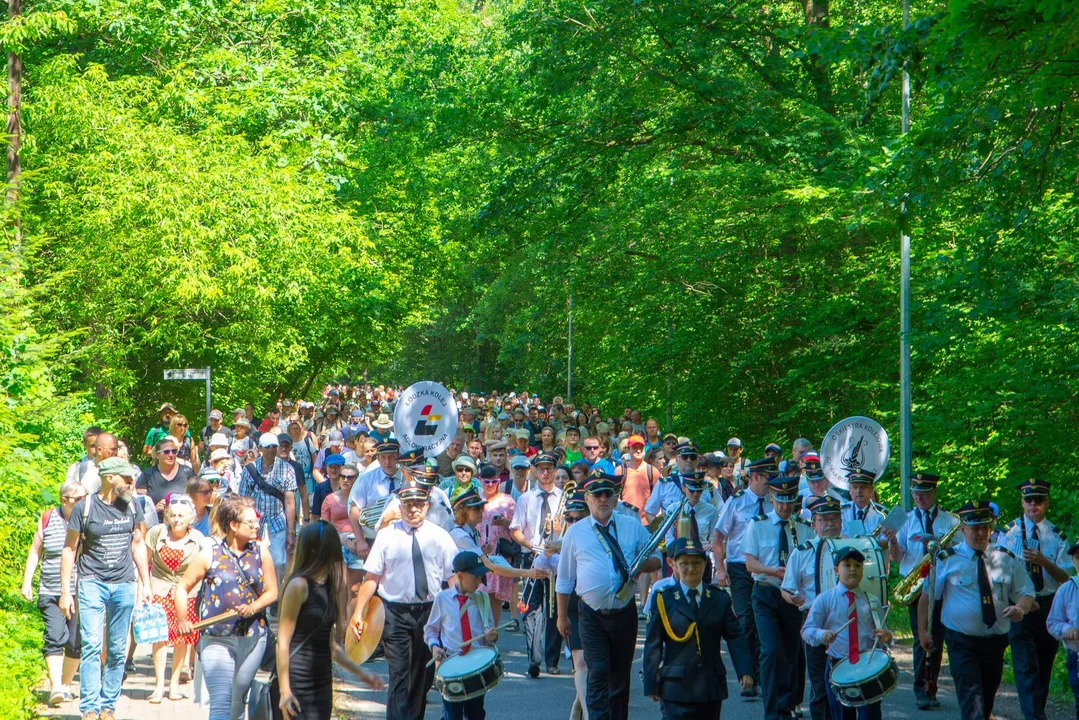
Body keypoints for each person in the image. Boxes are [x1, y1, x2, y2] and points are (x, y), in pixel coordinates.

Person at [349, 477, 459, 720]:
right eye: (408, 504)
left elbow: (453, 579)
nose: (414, 509)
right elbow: (371, 578)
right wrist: (358, 613)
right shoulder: (387, 536)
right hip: (394, 613)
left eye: (419, 504)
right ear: (400, 506)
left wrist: (459, 613)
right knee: (399, 674)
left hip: (430, 613)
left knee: (422, 676)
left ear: (427, 506)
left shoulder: (440, 537)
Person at [556, 471, 661, 720]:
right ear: (588, 500)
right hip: (591, 615)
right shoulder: (575, 532)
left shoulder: (632, 525)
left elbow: (657, 559)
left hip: (624, 612)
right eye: (596, 495)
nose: (602, 499)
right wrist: (562, 617)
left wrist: (640, 566)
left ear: (615, 499)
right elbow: (564, 578)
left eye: (607, 494)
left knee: (620, 675)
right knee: (598, 671)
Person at [918, 500, 1034, 720]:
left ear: (991, 528)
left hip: (996, 641)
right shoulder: (946, 560)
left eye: (985, 528)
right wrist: (924, 632)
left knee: (987, 700)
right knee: (972, 704)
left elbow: (1026, 592)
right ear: (963, 530)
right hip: (961, 642)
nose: (981, 533)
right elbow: (927, 598)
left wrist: (1020, 608)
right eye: (975, 528)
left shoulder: (1006, 558)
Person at [59, 457, 150, 720]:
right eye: (127, 478)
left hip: (123, 584)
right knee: (91, 644)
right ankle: (89, 707)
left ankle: (108, 706)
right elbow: (69, 549)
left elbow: (138, 543)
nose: (132, 483)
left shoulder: (132, 505)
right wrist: (66, 591)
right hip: (91, 583)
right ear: (110, 478)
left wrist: (145, 583)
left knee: (118, 648)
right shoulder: (84, 508)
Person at [175, 495, 279, 720]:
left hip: (253, 638)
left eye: (256, 521)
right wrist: (183, 619)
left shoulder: (262, 553)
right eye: (250, 522)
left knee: (237, 699)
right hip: (215, 638)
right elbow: (182, 587)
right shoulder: (209, 554)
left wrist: (253, 607)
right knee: (221, 703)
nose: (256, 526)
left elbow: (272, 591)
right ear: (233, 525)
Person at [275, 522, 384, 720]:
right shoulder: (298, 586)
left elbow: (331, 646)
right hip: (297, 681)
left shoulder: (329, 585)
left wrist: (362, 673)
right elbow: (282, 642)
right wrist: (284, 691)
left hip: (322, 682)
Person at [643, 536, 753, 720]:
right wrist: (651, 683)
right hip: (675, 688)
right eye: (684, 563)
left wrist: (745, 670)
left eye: (696, 563)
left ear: (704, 565)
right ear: (675, 566)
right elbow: (653, 644)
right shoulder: (664, 599)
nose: (691, 569)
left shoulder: (719, 599)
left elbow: (735, 636)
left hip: (710, 686)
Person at [883, 472, 958, 710]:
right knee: (920, 637)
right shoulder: (903, 519)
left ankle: (932, 685)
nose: (919, 497)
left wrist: (939, 546)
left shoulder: (950, 520)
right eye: (915, 493)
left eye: (924, 493)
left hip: (942, 583)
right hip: (915, 585)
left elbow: (958, 554)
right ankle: (921, 689)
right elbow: (897, 558)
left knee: (937, 635)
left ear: (934, 492)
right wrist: (893, 542)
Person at [997, 479, 1070, 720]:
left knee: (1043, 665)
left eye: (1038, 500)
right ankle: (1034, 716)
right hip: (1019, 605)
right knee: (1025, 665)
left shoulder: (1057, 536)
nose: (1033, 505)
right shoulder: (1008, 534)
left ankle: (1036, 710)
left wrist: (1044, 562)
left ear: (1047, 502)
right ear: (1022, 502)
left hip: (1048, 605)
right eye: (1028, 500)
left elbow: (1066, 577)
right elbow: (996, 573)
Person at [744, 475, 813, 720]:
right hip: (766, 592)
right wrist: (773, 571)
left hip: (792, 597)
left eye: (789, 501)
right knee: (771, 650)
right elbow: (750, 564)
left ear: (796, 500)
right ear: (771, 498)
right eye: (780, 501)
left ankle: (787, 705)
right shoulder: (757, 524)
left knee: (792, 652)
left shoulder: (804, 528)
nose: (784, 507)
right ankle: (772, 711)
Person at [801, 547, 894, 720]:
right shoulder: (825, 599)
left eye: (858, 566)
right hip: (838, 666)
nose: (853, 569)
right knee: (842, 716)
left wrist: (887, 637)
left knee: (871, 715)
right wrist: (822, 634)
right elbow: (806, 630)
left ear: (863, 570)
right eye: (847, 565)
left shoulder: (871, 600)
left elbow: (884, 634)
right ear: (836, 570)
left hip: (867, 666)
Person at [712, 455, 775, 696]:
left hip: (766, 568)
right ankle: (748, 675)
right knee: (746, 619)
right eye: (768, 477)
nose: (771, 482)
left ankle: (763, 674)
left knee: (765, 620)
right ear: (756, 477)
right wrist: (720, 567)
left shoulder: (773, 501)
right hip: (740, 567)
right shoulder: (736, 502)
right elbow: (719, 535)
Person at [21, 479, 86, 706]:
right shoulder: (48, 518)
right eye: (77, 499)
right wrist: (27, 581)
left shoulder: (87, 520)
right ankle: (56, 686)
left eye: (84, 498)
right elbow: (35, 551)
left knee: (76, 641)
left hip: (79, 590)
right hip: (50, 590)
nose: (82, 503)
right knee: (55, 635)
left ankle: (66, 685)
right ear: (64, 500)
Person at [782, 495, 843, 720]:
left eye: (834, 519)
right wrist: (792, 598)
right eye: (823, 519)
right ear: (814, 523)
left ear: (841, 521)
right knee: (820, 682)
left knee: (848, 680)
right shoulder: (802, 552)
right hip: (814, 620)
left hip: (847, 620)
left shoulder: (853, 548)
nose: (829, 524)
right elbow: (786, 588)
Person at [424, 550, 500, 720]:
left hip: (476, 665)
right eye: (475, 577)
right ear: (459, 575)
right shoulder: (442, 599)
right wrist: (435, 647)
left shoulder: (482, 599)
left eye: (481, 577)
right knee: (452, 714)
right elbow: (431, 630)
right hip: (452, 664)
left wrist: (491, 636)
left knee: (476, 714)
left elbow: (490, 633)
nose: (480, 582)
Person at [146, 494, 205, 702]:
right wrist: (143, 588)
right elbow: (145, 562)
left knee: (182, 638)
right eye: (173, 515)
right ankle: (159, 685)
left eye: (181, 516)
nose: (176, 519)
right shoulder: (156, 533)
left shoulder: (198, 539)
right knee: (159, 638)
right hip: (159, 590)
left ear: (190, 518)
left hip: (187, 593)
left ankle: (174, 685)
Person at [510, 451, 565, 677]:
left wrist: (561, 534)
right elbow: (514, 530)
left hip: (558, 558)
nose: (545, 472)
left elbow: (572, 529)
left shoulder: (564, 497)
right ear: (534, 471)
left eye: (549, 468)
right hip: (533, 557)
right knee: (532, 609)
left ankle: (552, 661)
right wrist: (531, 546)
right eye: (541, 468)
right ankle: (534, 659)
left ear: (554, 470)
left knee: (554, 609)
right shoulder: (526, 499)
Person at [238, 433, 298, 583]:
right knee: (254, 561)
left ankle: (275, 598)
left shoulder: (287, 469)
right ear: (260, 449)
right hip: (255, 523)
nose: (271, 450)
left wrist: (291, 532)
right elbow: (243, 500)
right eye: (267, 447)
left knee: (279, 562)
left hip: (277, 520)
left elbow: (290, 502)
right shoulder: (249, 470)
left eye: (274, 447)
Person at [476, 465, 517, 625]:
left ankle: (493, 636)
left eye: (494, 481)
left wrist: (506, 522)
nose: (490, 485)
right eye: (487, 482)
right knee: (478, 593)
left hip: (499, 553)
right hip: (479, 552)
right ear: (480, 481)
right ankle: (481, 633)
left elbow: (518, 525)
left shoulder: (507, 500)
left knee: (495, 596)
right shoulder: (475, 499)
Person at [1045, 541, 1079, 720]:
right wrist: (1068, 629)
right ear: (1073, 561)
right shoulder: (1066, 589)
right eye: (1078, 558)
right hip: (1077, 655)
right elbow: (1053, 622)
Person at [137, 435, 196, 521]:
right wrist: (154, 509)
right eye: (166, 452)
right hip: (157, 523)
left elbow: (197, 498)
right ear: (157, 455)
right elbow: (140, 506)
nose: (171, 455)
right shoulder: (147, 475)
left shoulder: (188, 472)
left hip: (183, 523)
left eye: (174, 451)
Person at [840, 469, 887, 543]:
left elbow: (887, 540)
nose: (858, 491)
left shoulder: (881, 513)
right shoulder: (842, 512)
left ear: (871, 490)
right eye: (855, 487)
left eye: (863, 487)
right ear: (850, 490)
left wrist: (867, 545)